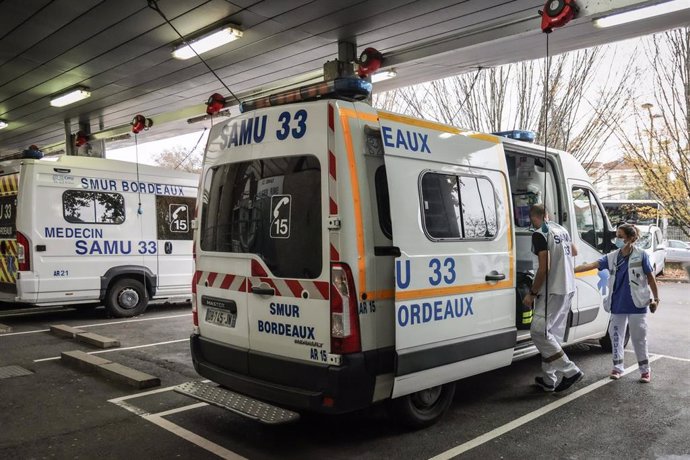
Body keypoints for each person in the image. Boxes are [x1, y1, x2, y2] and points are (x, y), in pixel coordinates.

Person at [575, 223, 659, 383]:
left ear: (631, 238)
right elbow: (592, 265)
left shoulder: (641, 255)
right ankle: (617, 368)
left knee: (639, 338)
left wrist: (656, 299)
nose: (617, 239)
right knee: (616, 337)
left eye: (620, 236)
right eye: (617, 235)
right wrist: (570, 270)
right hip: (617, 304)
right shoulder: (612, 256)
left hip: (637, 305)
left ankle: (645, 371)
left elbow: (650, 278)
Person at [523, 204, 584, 393]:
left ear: (533, 217)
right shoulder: (561, 229)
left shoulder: (539, 234)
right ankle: (549, 380)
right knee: (551, 335)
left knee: (539, 333)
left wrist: (532, 294)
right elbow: (574, 251)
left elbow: (544, 268)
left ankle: (570, 371)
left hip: (552, 290)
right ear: (547, 214)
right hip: (567, 288)